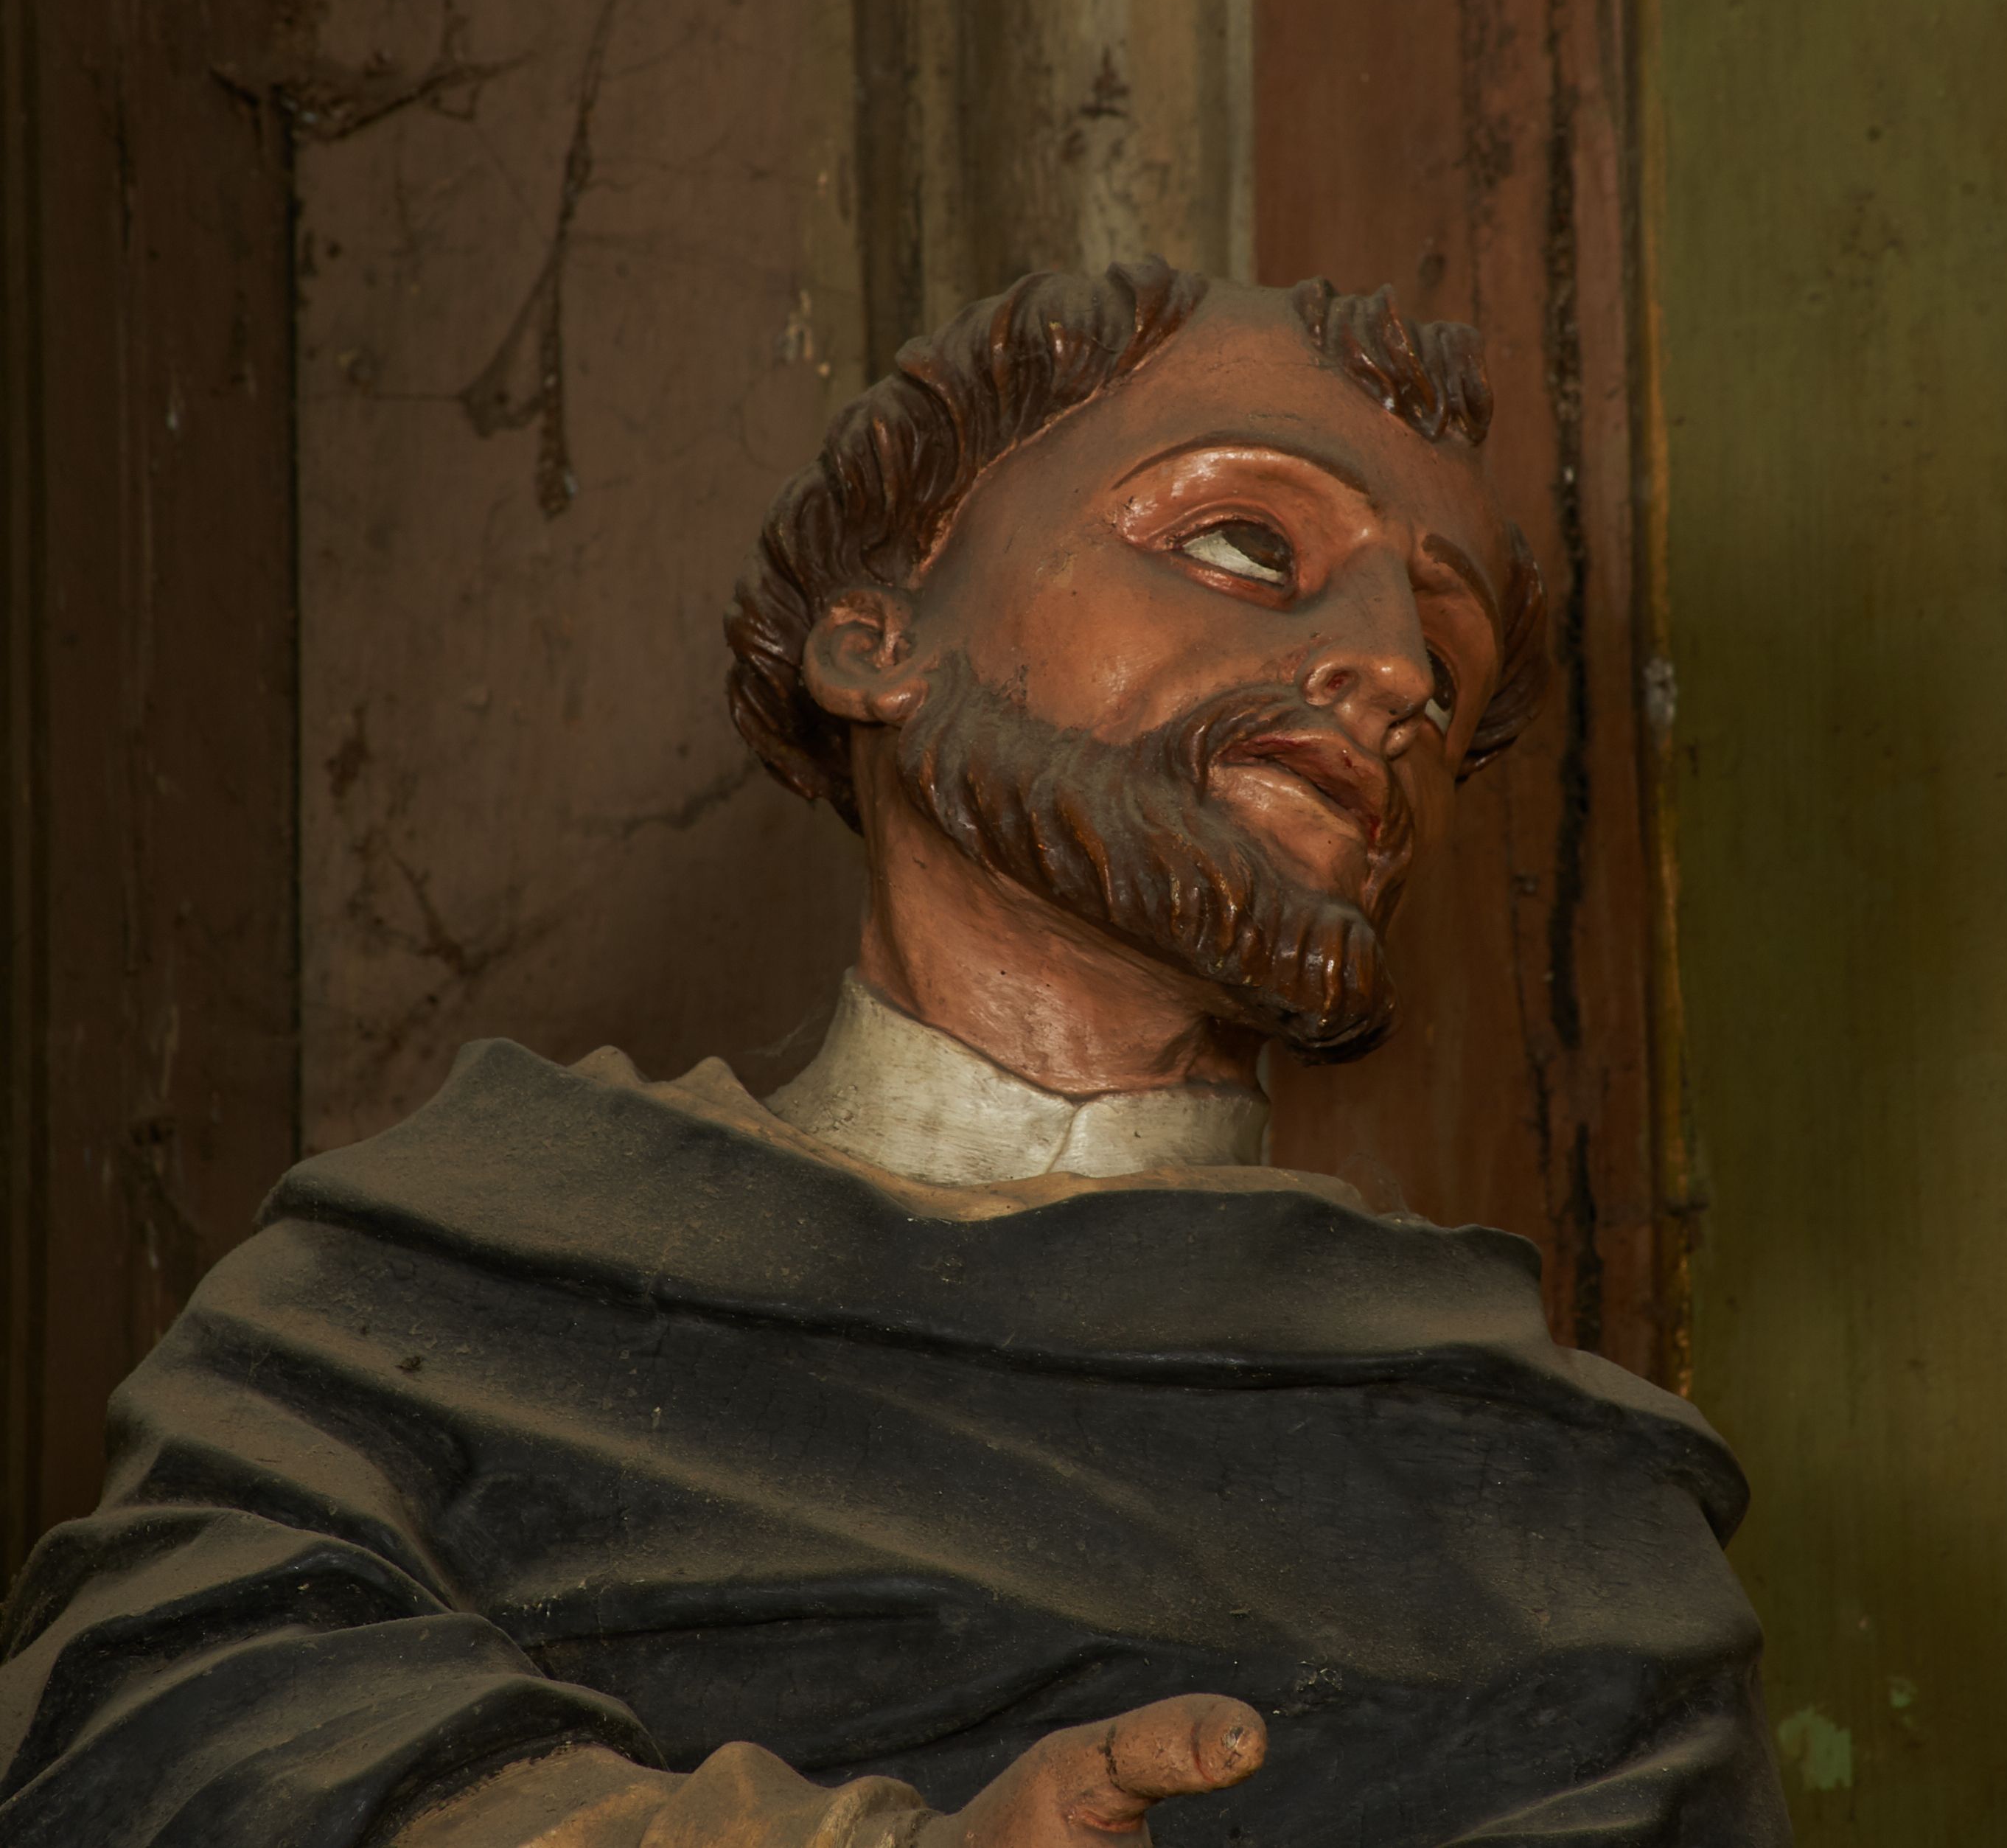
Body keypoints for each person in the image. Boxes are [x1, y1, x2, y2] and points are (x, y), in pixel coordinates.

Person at [0, 259, 1791, 1846]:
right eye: (1248, 547)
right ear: (876, 640)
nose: (1390, 674)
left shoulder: (1551, 1492)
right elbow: (167, 1731)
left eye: (1444, 667)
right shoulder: (434, 1287)